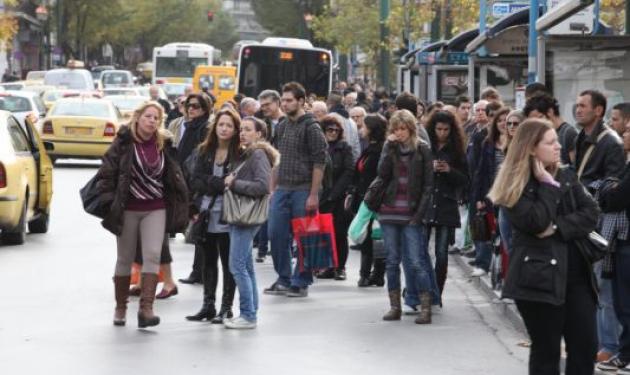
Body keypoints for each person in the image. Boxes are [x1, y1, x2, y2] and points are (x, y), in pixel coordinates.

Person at [488, 118, 600, 375]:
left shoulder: (567, 175)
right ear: (530, 148)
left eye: (557, 141)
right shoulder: (514, 185)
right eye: (550, 143)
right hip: (537, 280)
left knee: (585, 349)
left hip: (577, 278)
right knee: (546, 352)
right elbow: (537, 222)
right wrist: (548, 185)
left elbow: (592, 213)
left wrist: (559, 228)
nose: (558, 147)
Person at [96, 101, 189, 328]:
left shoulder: (163, 144)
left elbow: (175, 175)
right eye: (148, 116)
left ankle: (146, 309)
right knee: (125, 259)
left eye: (156, 118)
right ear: (138, 117)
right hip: (128, 208)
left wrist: (185, 202)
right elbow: (107, 172)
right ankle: (121, 307)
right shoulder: (124, 142)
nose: (152, 121)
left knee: (153, 255)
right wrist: (109, 202)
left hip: (155, 207)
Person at [574, 90, 625, 364]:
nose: (578, 109)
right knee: (590, 286)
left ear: (598, 110)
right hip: (585, 223)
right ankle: (595, 341)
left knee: (603, 288)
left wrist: (584, 192)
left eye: (584, 106)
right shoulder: (583, 137)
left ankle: (610, 344)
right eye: (577, 105)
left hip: (601, 226)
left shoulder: (610, 143)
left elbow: (612, 187)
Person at [264, 82, 328, 298]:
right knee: (276, 234)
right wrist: (272, 189)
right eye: (283, 100)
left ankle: (301, 281)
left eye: (289, 100)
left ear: (301, 101)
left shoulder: (312, 127)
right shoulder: (281, 126)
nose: (285, 103)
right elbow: (276, 159)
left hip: (303, 190)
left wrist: (313, 194)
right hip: (282, 189)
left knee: (306, 237)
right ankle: (283, 278)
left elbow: (320, 162)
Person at [377, 109, 437, 324]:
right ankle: (395, 307)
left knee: (416, 261)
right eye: (396, 129)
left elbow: (429, 186)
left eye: (403, 129)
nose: (399, 133)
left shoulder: (422, 148)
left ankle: (426, 308)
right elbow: (382, 174)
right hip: (389, 211)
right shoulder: (389, 147)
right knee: (392, 261)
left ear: (411, 129)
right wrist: (389, 148)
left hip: (411, 212)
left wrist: (419, 214)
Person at [223, 116, 278, 329]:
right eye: (242, 129)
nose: (243, 133)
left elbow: (263, 187)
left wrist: (234, 183)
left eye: (248, 129)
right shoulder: (250, 153)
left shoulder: (257, 155)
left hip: (245, 217)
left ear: (259, 134)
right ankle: (251, 311)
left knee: (236, 266)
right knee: (245, 265)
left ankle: (248, 315)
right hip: (243, 216)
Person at [185, 108, 240, 323]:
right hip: (206, 213)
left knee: (228, 262)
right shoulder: (204, 151)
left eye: (228, 125)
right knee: (208, 261)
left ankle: (226, 308)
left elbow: (235, 183)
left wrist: (212, 183)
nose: (224, 129)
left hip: (229, 215)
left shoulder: (240, 154)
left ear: (235, 129)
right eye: (220, 125)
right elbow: (195, 180)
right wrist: (219, 183)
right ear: (214, 127)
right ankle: (208, 305)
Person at [597, 119, 630, 373]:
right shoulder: (626, 164)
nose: (625, 134)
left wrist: (611, 189)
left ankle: (625, 353)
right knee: (619, 301)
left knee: (625, 302)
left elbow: (616, 198)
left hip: (626, 241)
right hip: (620, 241)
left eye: (629, 131)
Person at [424, 111, 469, 296]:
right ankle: (422, 288)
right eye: (438, 129)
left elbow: (465, 179)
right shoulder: (426, 147)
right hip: (426, 204)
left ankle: (437, 292)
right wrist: (430, 167)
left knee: (441, 254)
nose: (442, 133)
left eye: (446, 129)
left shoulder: (457, 150)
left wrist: (449, 170)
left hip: (446, 204)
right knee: (421, 251)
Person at [347, 114, 388, 287]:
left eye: (364, 126)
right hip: (364, 198)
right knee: (366, 236)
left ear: (372, 129)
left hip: (376, 200)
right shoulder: (369, 148)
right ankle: (367, 274)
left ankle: (375, 274)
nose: (361, 129)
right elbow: (359, 173)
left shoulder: (381, 150)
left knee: (375, 236)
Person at [469, 107, 510, 276]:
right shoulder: (489, 142)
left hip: (509, 195)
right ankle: (485, 263)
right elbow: (482, 170)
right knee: (488, 229)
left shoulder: (516, 142)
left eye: (506, 121)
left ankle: (504, 270)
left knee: (504, 233)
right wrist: (479, 196)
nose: (502, 123)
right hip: (491, 193)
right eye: (499, 120)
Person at [315, 115, 354, 281]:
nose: (333, 133)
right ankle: (328, 266)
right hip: (320, 196)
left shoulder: (344, 147)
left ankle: (340, 267)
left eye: (336, 130)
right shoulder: (318, 147)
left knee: (339, 233)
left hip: (338, 197)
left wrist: (334, 193)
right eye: (329, 129)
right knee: (324, 233)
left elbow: (349, 171)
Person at [523, 93, 578, 165]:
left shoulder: (568, 133)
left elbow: (576, 168)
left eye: (539, 118)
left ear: (550, 112)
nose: (537, 124)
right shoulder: (546, 134)